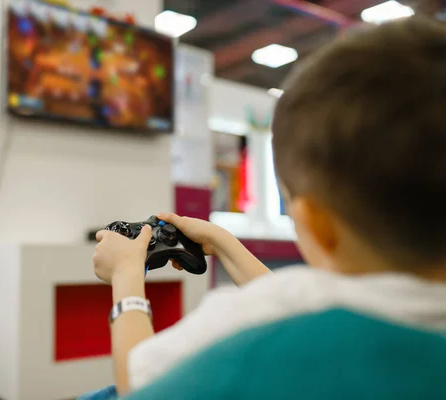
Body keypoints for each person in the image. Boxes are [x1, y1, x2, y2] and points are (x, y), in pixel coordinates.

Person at [91, 16, 446, 398]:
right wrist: (224, 242)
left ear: (317, 226)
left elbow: (140, 387)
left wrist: (126, 277)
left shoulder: (254, 330)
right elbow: (304, 298)